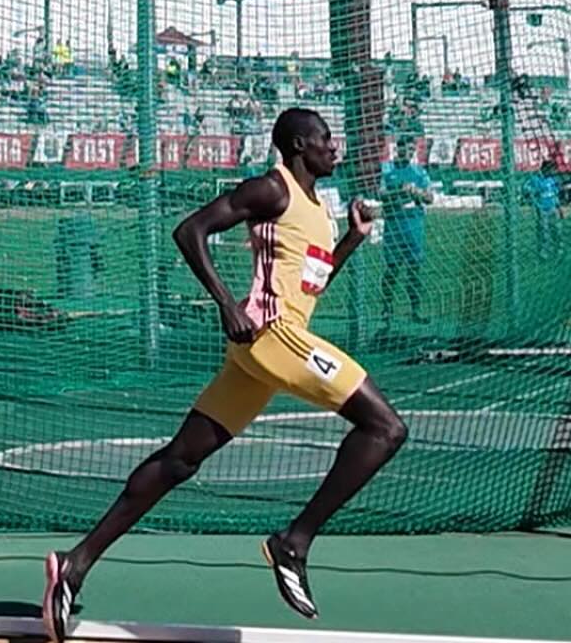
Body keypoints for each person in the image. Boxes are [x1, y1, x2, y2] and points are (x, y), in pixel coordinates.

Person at [42, 109, 404, 634]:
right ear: (300, 144)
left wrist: (351, 238)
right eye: (326, 139)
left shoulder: (315, 209)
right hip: (271, 338)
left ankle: (75, 565)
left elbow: (312, 283)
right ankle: (293, 543)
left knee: (179, 461)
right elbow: (190, 231)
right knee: (386, 428)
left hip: (263, 353)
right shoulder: (270, 190)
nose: (335, 147)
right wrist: (224, 304)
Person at [380, 140, 433, 327]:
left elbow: (430, 198)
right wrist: (398, 189)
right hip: (394, 226)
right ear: (398, 149)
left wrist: (415, 191)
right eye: (404, 148)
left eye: (411, 149)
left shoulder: (419, 172)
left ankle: (415, 310)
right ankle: (386, 310)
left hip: (413, 225)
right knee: (392, 270)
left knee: (414, 271)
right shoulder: (387, 170)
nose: (408, 152)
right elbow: (380, 193)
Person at [527, 158, 562, 258]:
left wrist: (559, 208)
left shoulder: (552, 180)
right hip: (543, 210)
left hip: (553, 209)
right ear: (545, 169)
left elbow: (555, 194)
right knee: (544, 231)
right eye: (550, 169)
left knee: (557, 230)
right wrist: (535, 203)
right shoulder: (536, 179)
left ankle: (558, 249)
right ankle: (543, 252)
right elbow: (527, 189)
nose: (552, 171)